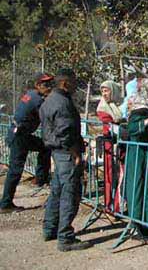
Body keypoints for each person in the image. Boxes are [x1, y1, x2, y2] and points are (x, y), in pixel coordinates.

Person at [40, 68, 91, 251]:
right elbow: (64, 131)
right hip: (66, 153)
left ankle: (50, 228)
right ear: (64, 83)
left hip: (56, 152)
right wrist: (76, 154)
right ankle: (66, 237)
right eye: (73, 81)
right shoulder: (62, 103)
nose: (76, 85)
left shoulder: (49, 100)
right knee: (70, 194)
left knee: (57, 191)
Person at [0, 72, 53, 214]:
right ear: (38, 85)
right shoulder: (38, 100)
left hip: (19, 132)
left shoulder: (31, 94)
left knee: (44, 147)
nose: (49, 87)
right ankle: (5, 204)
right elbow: (48, 117)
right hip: (20, 135)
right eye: (46, 84)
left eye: (50, 84)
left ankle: (40, 179)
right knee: (15, 170)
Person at [124, 93, 148, 240]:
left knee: (146, 190)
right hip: (139, 158)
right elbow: (131, 129)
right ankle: (139, 225)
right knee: (138, 190)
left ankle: (147, 225)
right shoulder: (138, 116)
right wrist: (145, 123)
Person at [96, 80, 124, 213]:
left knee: (119, 176)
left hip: (119, 144)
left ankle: (117, 206)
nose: (104, 93)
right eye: (102, 91)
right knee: (109, 175)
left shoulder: (118, 105)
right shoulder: (103, 107)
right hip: (109, 144)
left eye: (107, 90)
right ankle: (109, 205)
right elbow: (112, 122)